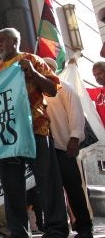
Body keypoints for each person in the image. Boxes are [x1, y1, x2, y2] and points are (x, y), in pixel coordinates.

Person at [0, 28, 69, 238]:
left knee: (47, 181)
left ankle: (57, 230)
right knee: (12, 187)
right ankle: (19, 232)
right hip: (7, 136)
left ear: (15, 41)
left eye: (2, 40)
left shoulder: (32, 59)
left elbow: (52, 89)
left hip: (36, 129)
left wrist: (33, 72)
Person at [44, 57, 93, 238]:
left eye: (47, 66)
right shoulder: (35, 91)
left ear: (53, 69)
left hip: (64, 147)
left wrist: (74, 138)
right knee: (51, 190)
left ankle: (84, 228)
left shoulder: (64, 87)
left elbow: (76, 113)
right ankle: (58, 228)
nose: (43, 69)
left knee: (73, 188)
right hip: (45, 150)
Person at [87, 61, 105, 126]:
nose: (97, 77)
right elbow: (79, 90)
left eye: (99, 73)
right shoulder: (98, 92)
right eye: (95, 75)